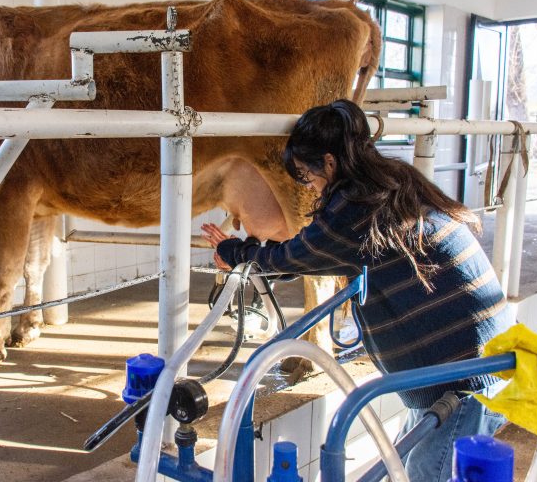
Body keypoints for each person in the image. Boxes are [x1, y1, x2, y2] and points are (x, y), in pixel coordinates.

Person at [201, 99, 515, 482]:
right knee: (405, 464)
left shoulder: (355, 207)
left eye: (305, 175)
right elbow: (318, 256)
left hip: (464, 377)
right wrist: (246, 257)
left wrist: (235, 252)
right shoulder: (391, 180)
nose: (308, 185)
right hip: (474, 362)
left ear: (329, 163)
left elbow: (295, 256)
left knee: (424, 471)